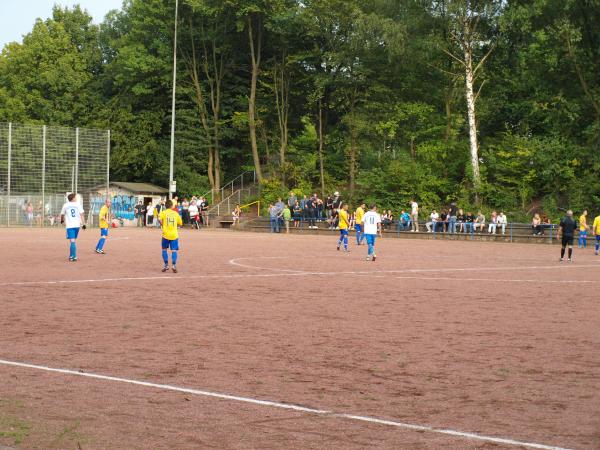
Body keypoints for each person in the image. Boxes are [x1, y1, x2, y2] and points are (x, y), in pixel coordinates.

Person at [158, 199, 182, 273]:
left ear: (165, 206)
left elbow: (159, 219)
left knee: (164, 249)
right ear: (172, 206)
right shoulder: (176, 213)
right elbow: (180, 223)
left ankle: (166, 265)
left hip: (165, 234)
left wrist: (162, 225)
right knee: (174, 250)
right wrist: (175, 226)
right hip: (174, 235)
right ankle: (174, 265)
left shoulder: (163, 213)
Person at [60, 193, 86, 262]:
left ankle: (73, 256)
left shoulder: (65, 205)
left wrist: (62, 221)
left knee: (72, 241)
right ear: (73, 198)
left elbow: (62, 214)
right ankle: (72, 256)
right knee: (73, 241)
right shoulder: (78, 204)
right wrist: (83, 224)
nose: (76, 198)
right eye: (76, 197)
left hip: (70, 226)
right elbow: (82, 214)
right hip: (77, 225)